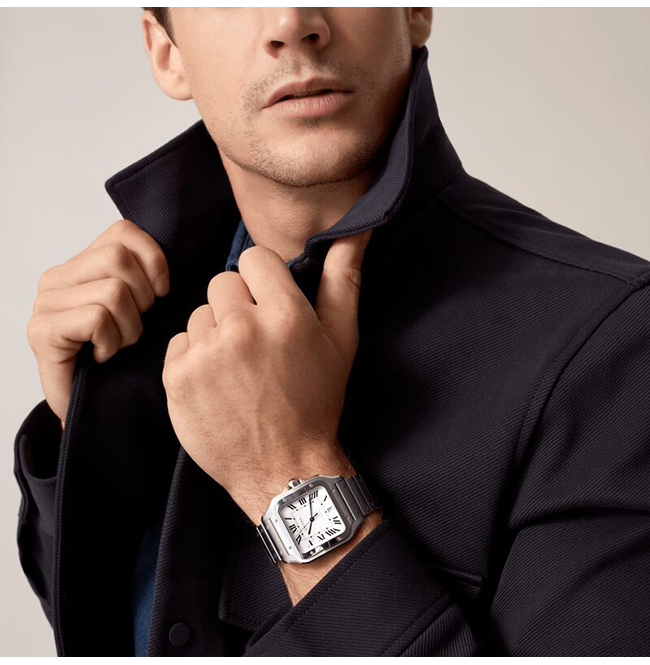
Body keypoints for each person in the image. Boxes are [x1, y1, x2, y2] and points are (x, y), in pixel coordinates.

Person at [14, 8, 650, 657]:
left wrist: (289, 476)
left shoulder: (617, 347)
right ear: (166, 51)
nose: (291, 22)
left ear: (415, 10)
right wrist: (86, 427)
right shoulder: (145, 318)